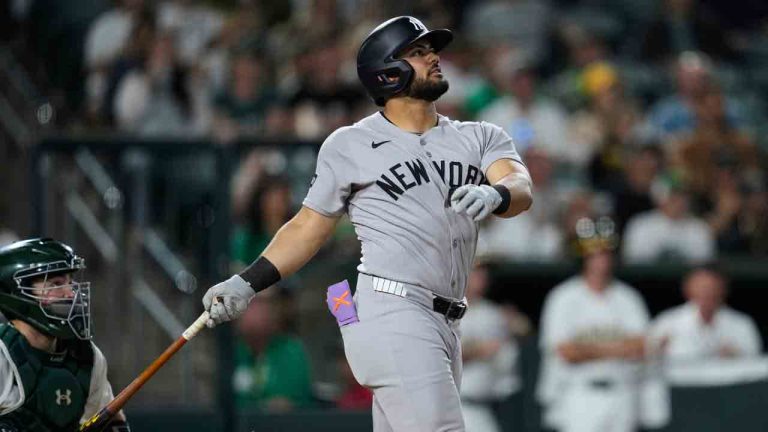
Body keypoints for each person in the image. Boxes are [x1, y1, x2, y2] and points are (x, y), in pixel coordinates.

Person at [201, 16, 533, 432]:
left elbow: (519, 184)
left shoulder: (479, 135)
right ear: (387, 72)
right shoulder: (350, 144)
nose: (433, 57)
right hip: (393, 311)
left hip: (446, 320)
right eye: (417, 51)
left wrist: (495, 193)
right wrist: (247, 281)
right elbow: (308, 226)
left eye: (431, 49)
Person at [537, 221, 667, 432]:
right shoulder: (563, 297)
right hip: (579, 394)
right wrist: (619, 349)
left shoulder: (628, 297)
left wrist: (589, 349)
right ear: (584, 257)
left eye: (605, 253)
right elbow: (567, 352)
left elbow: (641, 347)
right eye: (595, 253)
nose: (601, 259)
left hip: (623, 392)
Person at [0, 238, 129, 431]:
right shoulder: (3, 354)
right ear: (18, 292)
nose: (70, 293)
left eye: (70, 282)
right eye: (56, 283)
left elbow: (113, 423)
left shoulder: (87, 357)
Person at [650, 264, 762, 363]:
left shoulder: (742, 324)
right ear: (687, 289)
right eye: (701, 287)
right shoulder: (667, 321)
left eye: (712, 287)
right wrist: (657, 349)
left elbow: (754, 363)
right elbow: (648, 356)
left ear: (723, 289)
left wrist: (736, 356)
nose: (706, 292)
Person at [460, 263, 520, 432]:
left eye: (484, 273)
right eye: (476, 272)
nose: (482, 278)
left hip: (482, 407)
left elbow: (506, 366)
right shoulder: (441, 308)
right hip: (448, 407)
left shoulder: (494, 315)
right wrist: (480, 350)